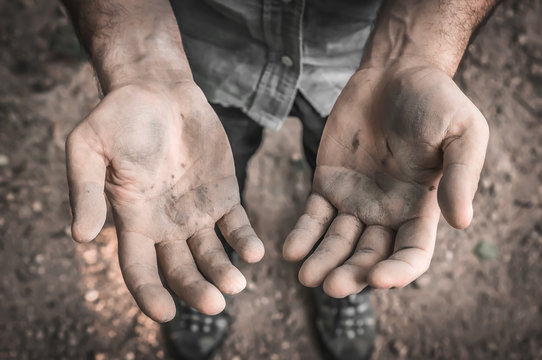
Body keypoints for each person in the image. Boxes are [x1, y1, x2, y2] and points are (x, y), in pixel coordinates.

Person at [60, 0, 498, 359]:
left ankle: (348, 268)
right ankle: (209, 264)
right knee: (206, 178)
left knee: (359, 173)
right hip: (193, 49)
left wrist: (416, 52)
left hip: (363, 51)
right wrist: (140, 61)